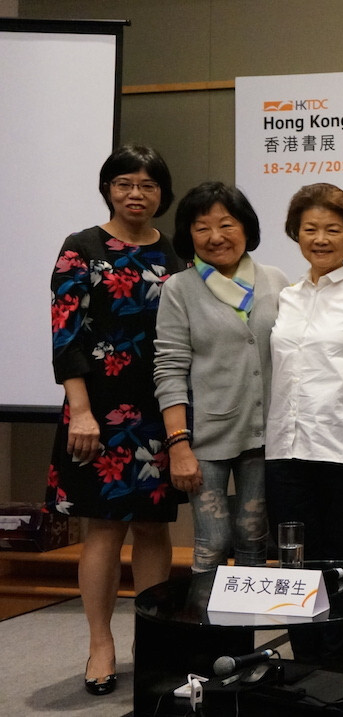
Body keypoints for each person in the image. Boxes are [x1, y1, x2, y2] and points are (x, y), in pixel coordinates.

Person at [46, 145, 187, 696]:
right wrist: (79, 410)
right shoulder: (80, 248)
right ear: (108, 188)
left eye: (148, 185)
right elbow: (65, 335)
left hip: (157, 408)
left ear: (162, 194)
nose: (136, 193)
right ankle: (100, 642)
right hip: (97, 413)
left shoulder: (173, 255)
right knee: (103, 525)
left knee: (154, 527)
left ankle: (150, 641)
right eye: (125, 183)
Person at [154, 182, 288, 574]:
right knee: (211, 544)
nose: (215, 237)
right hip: (205, 440)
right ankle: (207, 635)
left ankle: (244, 634)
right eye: (201, 228)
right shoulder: (179, 289)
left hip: (265, 437)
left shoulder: (277, 280)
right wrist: (178, 445)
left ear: (246, 228)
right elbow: (170, 369)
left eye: (226, 225)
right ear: (187, 235)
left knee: (253, 539)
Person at [266, 183, 343, 562]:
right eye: (310, 229)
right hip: (283, 454)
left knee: (338, 565)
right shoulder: (287, 297)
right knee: (293, 563)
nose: (320, 239)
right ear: (296, 234)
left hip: (342, 456)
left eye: (333, 230)